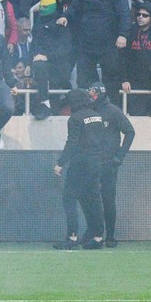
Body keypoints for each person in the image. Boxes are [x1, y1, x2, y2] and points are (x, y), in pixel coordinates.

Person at [52, 88, 106, 250]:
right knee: (94, 199)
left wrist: (60, 162)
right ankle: (97, 237)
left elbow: (72, 143)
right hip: (96, 162)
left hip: (80, 164)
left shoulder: (75, 118)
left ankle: (72, 236)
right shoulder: (97, 116)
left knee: (69, 198)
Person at [86, 82, 133, 247]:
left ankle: (110, 236)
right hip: (92, 163)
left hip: (108, 164)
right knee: (90, 199)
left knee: (107, 200)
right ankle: (93, 233)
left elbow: (130, 132)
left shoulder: (113, 111)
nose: (91, 97)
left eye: (93, 93)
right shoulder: (88, 111)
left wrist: (119, 156)